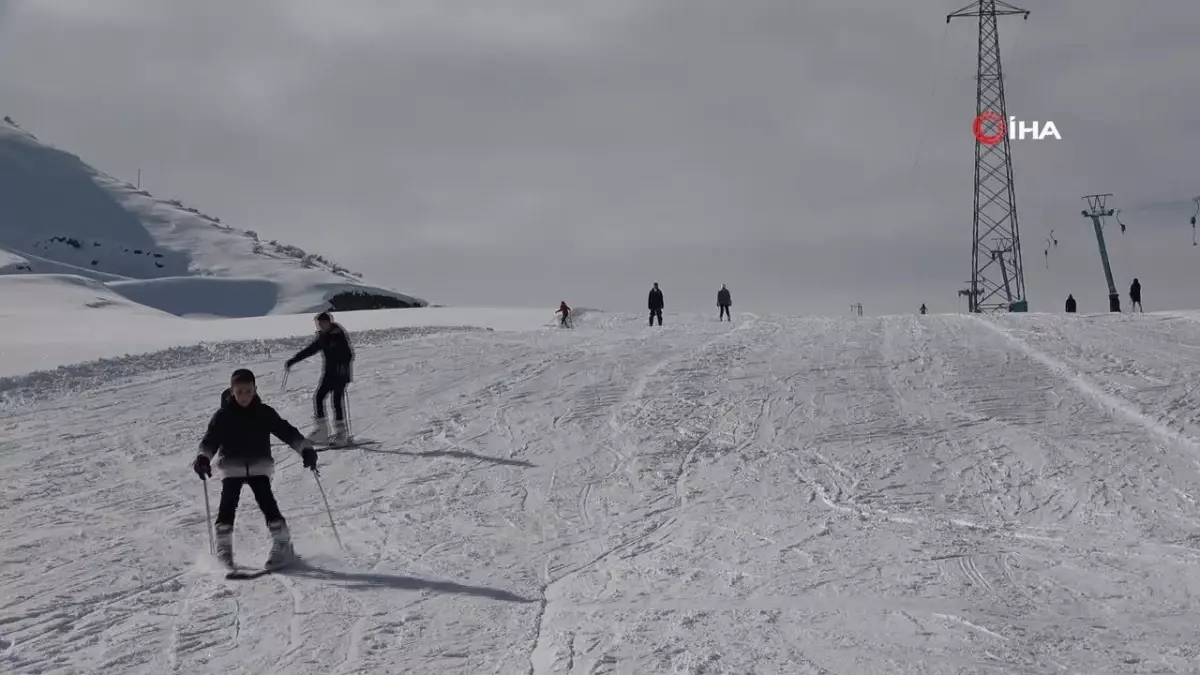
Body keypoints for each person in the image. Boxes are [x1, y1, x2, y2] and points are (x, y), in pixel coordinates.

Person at [193, 368, 317, 569]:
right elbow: (211, 439)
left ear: (255, 390)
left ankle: (282, 542)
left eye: (248, 391)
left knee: (267, 503)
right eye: (240, 391)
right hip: (232, 468)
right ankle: (224, 548)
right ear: (232, 391)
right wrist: (203, 457)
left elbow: (286, 431)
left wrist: (305, 448)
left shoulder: (264, 413)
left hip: (259, 467)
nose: (244, 396)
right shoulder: (223, 415)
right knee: (227, 507)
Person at [285, 311, 354, 445]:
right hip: (329, 374)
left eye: (323, 323)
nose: (320, 325)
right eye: (319, 324)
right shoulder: (323, 337)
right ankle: (322, 431)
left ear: (329, 322)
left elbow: (349, 354)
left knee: (336, 401)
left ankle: (342, 434)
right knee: (319, 397)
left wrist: (343, 365)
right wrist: (293, 360)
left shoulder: (338, 335)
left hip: (340, 374)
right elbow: (310, 350)